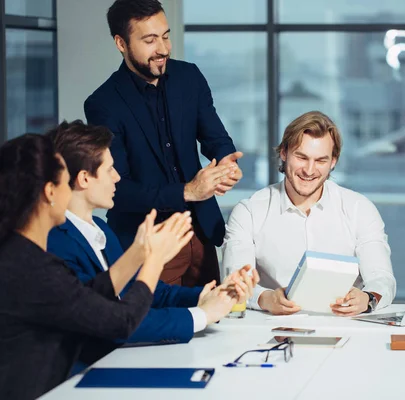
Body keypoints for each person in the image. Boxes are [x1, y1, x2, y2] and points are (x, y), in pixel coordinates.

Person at [0, 134, 197, 399]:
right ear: (50, 192)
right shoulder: (33, 268)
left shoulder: (19, 254)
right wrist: (154, 260)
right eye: (64, 183)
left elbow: (86, 295)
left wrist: (139, 253)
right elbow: (120, 321)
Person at [46, 120, 258, 348]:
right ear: (85, 178)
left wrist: (208, 297)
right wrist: (202, 315)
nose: (117, 177)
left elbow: (148, 292)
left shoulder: (101, 228)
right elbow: (112, 322)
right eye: (109, 169)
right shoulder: (55, 243)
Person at [85, 0, 243, 287]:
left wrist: (226, 161)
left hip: (201, 234)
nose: (163, 49)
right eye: (150, 40)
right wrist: (188, 191)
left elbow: (215, 137)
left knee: (213, 320)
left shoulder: (189, 77)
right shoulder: (102, 104)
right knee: (158, 329)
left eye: (166, 36)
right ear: (121, 43)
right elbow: (118, 190)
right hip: (146, 245)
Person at [223, 111, 396, 316]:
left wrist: (368, 299)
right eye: (301, 157)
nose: (309, 170)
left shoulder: (360, 208)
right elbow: (234, 282)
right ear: (284, 153)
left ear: (333, 161)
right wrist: (265, 298)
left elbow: (382, 278)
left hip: (345, 326)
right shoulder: (249, 211)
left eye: (321, 160)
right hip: (273, 326)